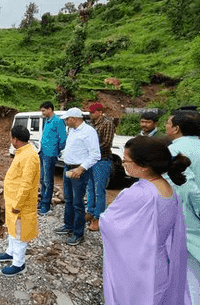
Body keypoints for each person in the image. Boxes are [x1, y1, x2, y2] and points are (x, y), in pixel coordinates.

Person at [100, 136, 190, 304]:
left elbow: (109, 223)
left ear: (143, 166)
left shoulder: (138, 193)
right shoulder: (167, 187)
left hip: (138, 266)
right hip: (161, 261)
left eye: (126, 160)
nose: (123, 164)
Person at [165, 109, 200, 304]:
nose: (166, 126)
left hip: (188, 220)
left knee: (188, 277)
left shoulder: (174, 151)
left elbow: (187, 188)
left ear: (176, 128)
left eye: (168, 123)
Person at [0, 125, 40, 276]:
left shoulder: (30, 156)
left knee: (20, 233)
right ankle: (10, 252)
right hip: (13, 200)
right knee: (12, 227)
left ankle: (19, 264)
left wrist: (18, 204)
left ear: (15, 139)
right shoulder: (22, 152)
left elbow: (26, 184)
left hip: (21, 204)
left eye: (11, 137)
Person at [54, 107, 100, 246]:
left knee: (77, 203)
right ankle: (68, 226)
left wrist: (81, 168)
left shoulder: (88, 132)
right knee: (68, 199)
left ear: (74, 118)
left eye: (67, 119)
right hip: (68, 167)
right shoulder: (73, 130)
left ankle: (78, 233)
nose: (66, 122)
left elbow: (95, 155)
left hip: (78, 170)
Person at [85, 102, 115, 232]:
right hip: (91, 160)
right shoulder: (92, 124)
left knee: (99, 190)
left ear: (99, 112)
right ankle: (90, 212)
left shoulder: (107, 123)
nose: (90, 115)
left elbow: (106, 143)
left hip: (101, 160)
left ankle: (98, 217)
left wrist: (92, 151)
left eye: (92, 112)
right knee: (90, 188)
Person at [38, 101, 67, 216]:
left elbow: (63, 139)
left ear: (50, 109)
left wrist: (56, 151)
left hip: (50, 154)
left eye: (43, 110)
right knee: (42, 179)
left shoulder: (58, 122)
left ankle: (46, 205)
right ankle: (42, 203)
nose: (42, 113)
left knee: (47, 180)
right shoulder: (47, 121)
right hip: (43, 153)